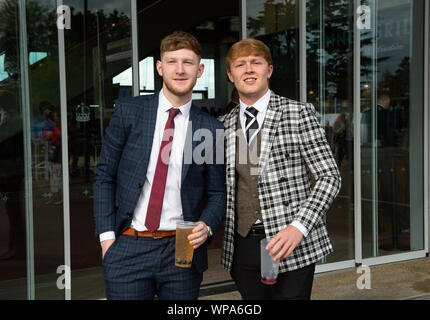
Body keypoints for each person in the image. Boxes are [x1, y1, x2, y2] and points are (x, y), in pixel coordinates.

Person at [93, 31, 226, 300]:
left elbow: (217, 193)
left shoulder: (211, 128)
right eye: (172, 61)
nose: (179, 69)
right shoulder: (129, 111)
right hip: (129, 244)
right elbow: (104, 176)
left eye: (188, 63)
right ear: (159, 67)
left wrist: (207, 225)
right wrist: (107, 239)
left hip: (182, 248)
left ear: (200, 70)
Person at [218, 39, 341, 300]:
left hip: (291, 243)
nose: (249, 70)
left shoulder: (298, 113)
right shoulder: (222, 125)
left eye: (256, 63)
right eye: (240, 65)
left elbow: (329, 177)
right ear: (230, 75)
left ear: (269, 70)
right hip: (243, 245)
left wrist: (299, 227)